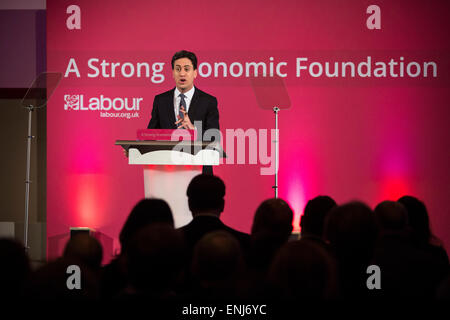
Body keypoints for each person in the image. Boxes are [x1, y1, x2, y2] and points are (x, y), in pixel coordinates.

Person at [147, 50, 220, 174]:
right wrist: (135, 150)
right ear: (172, 73)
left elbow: (214, 139)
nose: (182, 73)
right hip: (167, 172)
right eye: (178, 69)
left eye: (187, 69)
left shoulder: (208, 101)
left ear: (195, 73)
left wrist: (193, 129)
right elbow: (151, 135)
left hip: (199, 172)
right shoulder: (160, 100)